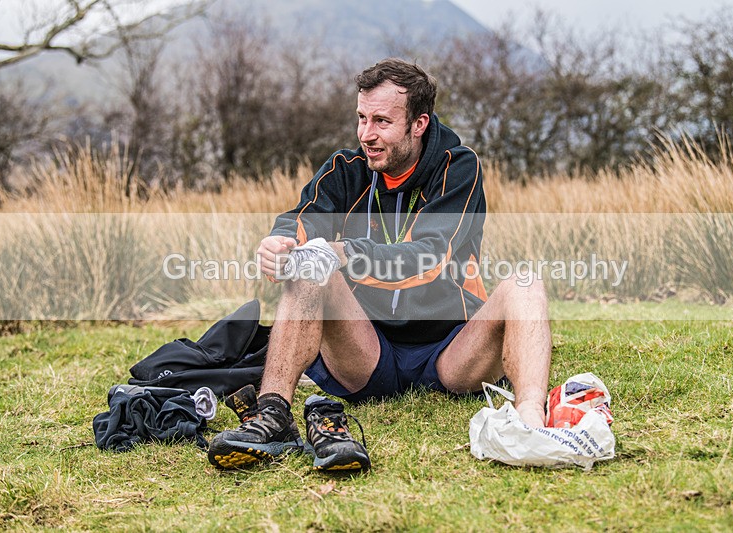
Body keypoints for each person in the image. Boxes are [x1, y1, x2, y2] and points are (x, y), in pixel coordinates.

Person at [207, 58, 552, 471]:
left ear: (419, 123)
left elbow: (428, 258)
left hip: (451, 352)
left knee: (525, 283)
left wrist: (346, 253)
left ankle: (532, 422)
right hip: (367, 351)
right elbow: (305, 216)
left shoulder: (459, 169)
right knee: (308, 265)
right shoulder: (345, 168)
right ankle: (274, 414)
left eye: (382, 121)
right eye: (361, 118)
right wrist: (282, 242)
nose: (366, 134)